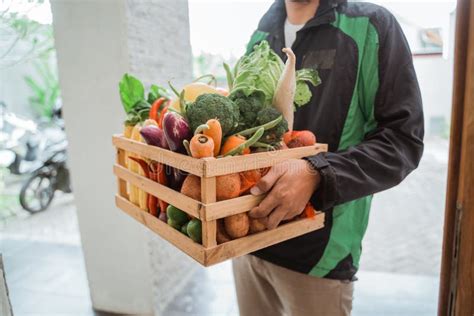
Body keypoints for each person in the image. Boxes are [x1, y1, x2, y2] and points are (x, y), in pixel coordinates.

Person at [232, 0, 424, 315]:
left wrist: (317, 173)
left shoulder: (371, 25)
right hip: (249, 243)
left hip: (319, 259)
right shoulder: (262, 31)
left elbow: (403, 140)